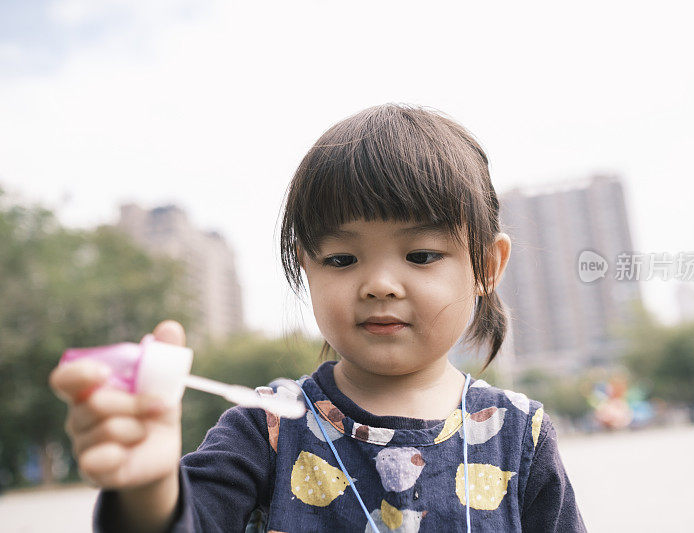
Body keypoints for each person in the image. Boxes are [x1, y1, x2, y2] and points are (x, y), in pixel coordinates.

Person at [49, 104, 586, 532]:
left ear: (487, 266)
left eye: (421, 255)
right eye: (341, 259)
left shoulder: (521, 436)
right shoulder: (266, 429)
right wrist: (147, 491)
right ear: (307, 267)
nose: (379, 284)